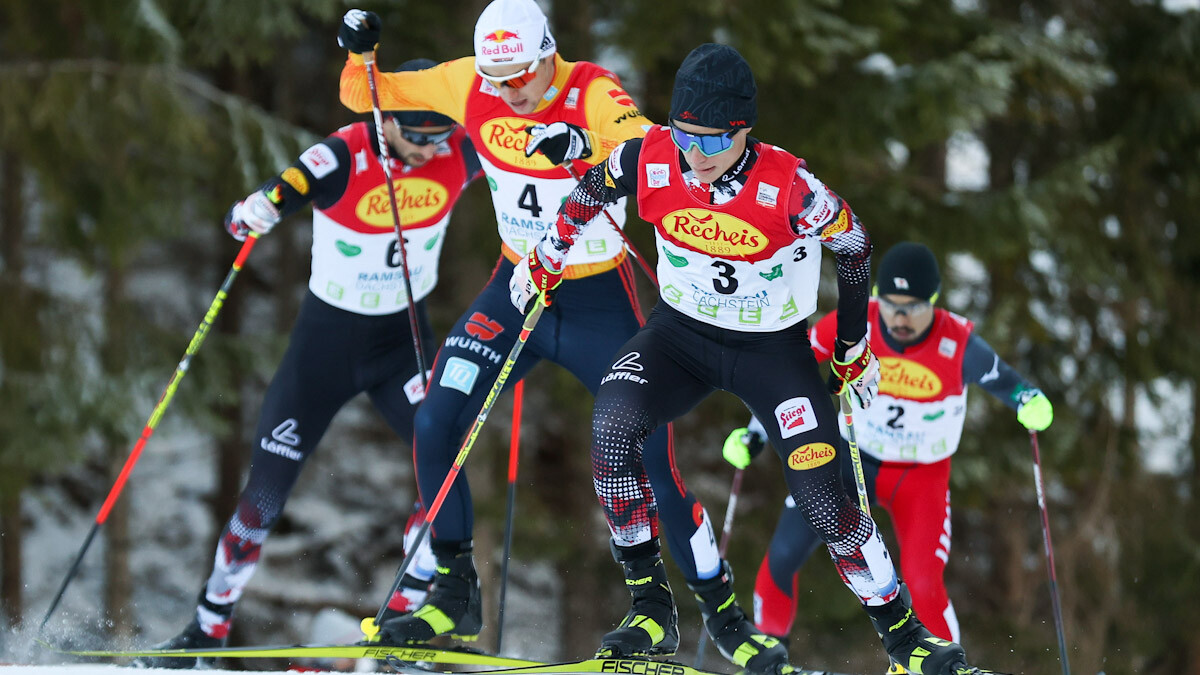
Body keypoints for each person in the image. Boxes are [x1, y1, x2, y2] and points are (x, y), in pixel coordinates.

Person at [510, 43, 991, 675]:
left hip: (772, 354)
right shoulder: (654, 155)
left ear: (744, 130)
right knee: (612, 424)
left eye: (712, 142)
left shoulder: (790, 187)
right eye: (686, 136)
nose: (696, 156)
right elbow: (596, 185)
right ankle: (651, 605)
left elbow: (853, 244)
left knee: (825, 500)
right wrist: (549, 252)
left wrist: (851, 346)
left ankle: (904, 637)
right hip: (678, 337)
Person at [335, 0, 710, 648]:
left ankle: (654, 606)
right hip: (517, 291)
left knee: (646, 447)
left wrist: (586, 144)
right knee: (435, 413)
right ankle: (454, 593)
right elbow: (362, 94)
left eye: (519, 78)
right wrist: (359, 52)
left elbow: (657, 150)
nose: (507, 92)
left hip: (596, 296)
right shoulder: (470, 83)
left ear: (547, 58)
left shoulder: (589, 88)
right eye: (495, 79)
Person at [136, 59, 483, 669]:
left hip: (403, 342)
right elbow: (275, 194)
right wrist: (253, 214)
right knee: (264, 492)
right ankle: (207, 629)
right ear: (384, 118)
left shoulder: (461, 149)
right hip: (326, 347)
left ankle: (402, 628)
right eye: (416, 135)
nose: (431, 148)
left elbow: (526, 157)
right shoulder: (344, 156)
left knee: (445, 468)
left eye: (440, 134)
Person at [717, 241, 1053, 649]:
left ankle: (945, 665)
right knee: (782, 558)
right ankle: (769, 653)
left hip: (919, 476)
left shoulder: (958, 344)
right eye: (891, 303)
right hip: (848, 462)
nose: (899, 316)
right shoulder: (858, 323)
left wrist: (1029, 402)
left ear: (933, 301)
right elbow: (790, 372)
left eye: (912, 306)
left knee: (924, 583)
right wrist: (754, 434)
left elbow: (1011, 385)